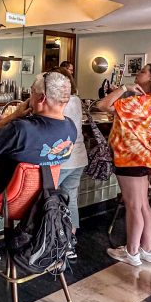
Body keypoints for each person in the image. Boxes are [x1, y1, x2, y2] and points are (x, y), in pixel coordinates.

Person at [0, 71, 77, 262]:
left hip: (7, 199)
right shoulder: (70, 128)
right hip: (42, 202)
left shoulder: (22, 128)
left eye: (31, 93)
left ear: (41, 98)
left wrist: (13, 116)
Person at [98, 63, 151, 266]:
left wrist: (123, 88)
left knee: (133, 206)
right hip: (146, 156)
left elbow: (102, 106)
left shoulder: (138, 101)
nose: (138, 73)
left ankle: (131, 252)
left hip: (129, 156)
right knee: (143, 205)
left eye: (142, 71)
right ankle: (146, 249)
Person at [52, 67, 86, 258]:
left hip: (61, 160)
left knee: (49, 201)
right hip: (78, 157)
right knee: (70, 199)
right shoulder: (76, 100)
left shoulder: (58, 102)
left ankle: (51, 242)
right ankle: (69, 244)